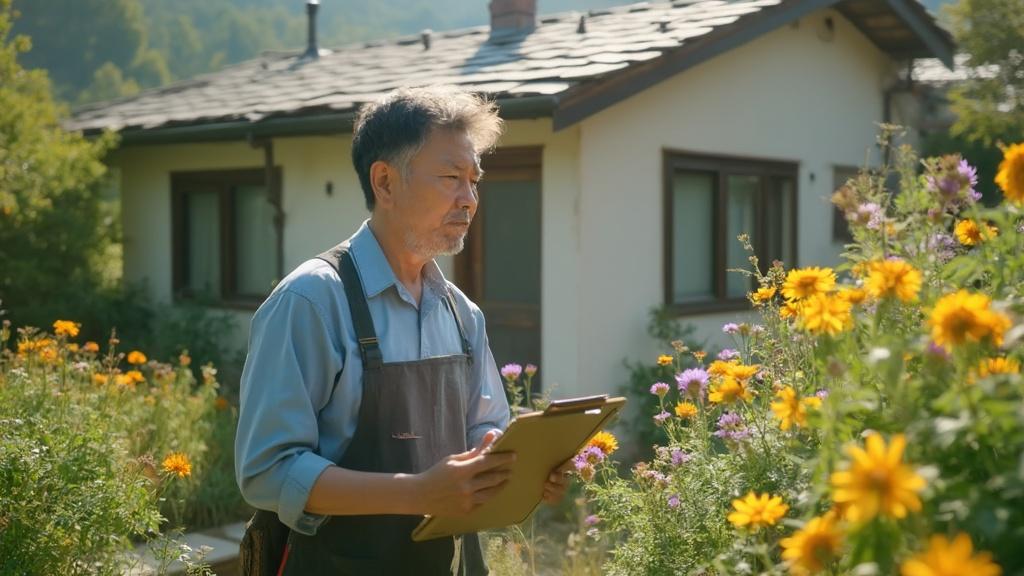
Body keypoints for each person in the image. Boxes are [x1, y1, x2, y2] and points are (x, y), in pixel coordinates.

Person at [235, 85, 571, 576]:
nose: (470, 199)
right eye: (452, 178)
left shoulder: (461, 314)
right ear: (386, 182)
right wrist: (415, 492)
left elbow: (486, 430)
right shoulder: (311, 301)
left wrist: (523, 469)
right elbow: (266, 472)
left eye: (474, 180)